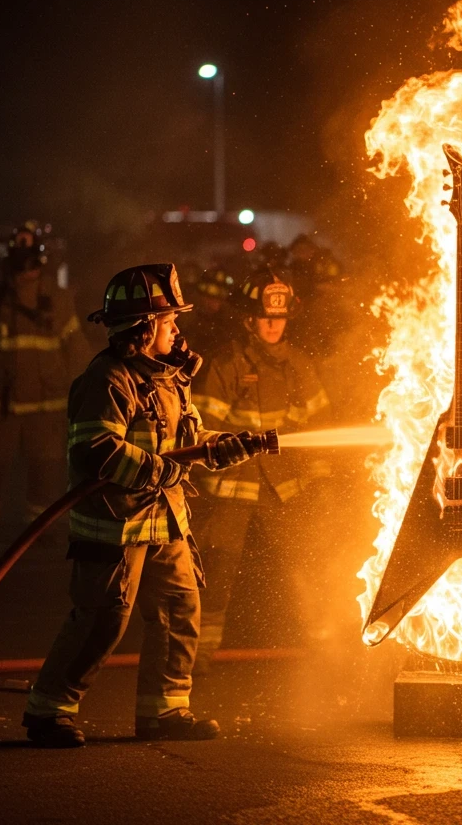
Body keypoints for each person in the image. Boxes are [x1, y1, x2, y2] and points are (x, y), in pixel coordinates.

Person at [22, 264, 260, 748]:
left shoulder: (169, 378)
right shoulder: (106, 380)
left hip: (165, 521)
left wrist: (225, 445)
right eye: (171, 321)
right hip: (115, 526)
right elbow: (96, 450)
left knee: (179, 608)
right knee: (102, 618)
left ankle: (166, 712)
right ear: (145, 328)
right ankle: (50, 711)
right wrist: (163, 470)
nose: (178, 329)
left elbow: (187, 440)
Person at [190, 269, 332, 659]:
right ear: (250, 320)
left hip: (285, 483)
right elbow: (203, 430)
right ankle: (199, 652)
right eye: (266, 318)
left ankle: (324, 645)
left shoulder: (300, 366)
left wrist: (319, 481)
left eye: (281, 318)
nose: (274, 325)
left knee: (305, 561)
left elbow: (319, 425)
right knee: (218, 565)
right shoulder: (226, 365)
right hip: (233, 484)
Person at [0, 223, 90, 546]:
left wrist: (89, 390)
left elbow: (77, 352)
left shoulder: (57, 302)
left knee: (45, 472)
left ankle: (40, 529)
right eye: (20, 258)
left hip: (47, 408)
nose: (26, 268)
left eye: (30, 259)